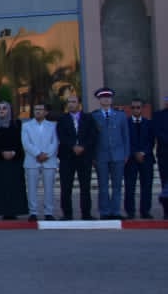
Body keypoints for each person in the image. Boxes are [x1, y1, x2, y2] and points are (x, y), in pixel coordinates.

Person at [92, 88, 130, 219]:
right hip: (101, 155)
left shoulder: (120, 115)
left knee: (117, 185)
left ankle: (116, 211)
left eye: (108, 97)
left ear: (112, 99)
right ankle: (104, 212)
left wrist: (126, 154)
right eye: (103, 97)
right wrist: (93, 156)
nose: (106, 99)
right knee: (103, 185)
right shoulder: (94, 116)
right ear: (99, 100)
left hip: (118, 154)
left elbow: (125, 136)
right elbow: (92, 138)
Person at [57, 94, 96, 220]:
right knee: (66, 187)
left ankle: (86, 214)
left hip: (84, 157)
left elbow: (93, 135)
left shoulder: (88, 118)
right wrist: (73, 146)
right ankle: (67, 214)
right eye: (69, 102)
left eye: (73, 102)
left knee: (85, 187)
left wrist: (83, 146)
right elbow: (61, 136)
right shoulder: (62, 119)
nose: (71, 104)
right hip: (67, 157)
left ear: (79, 104)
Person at [0, 102, 27, 220]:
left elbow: (21, 141)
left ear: (9, 110)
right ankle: (1, 211)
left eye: (4, 108)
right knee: (0, 187)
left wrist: (14, 152)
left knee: (14, 186)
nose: (1, 110)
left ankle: (14, 211)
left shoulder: (17, 123)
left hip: (15, 160)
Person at [22, 102, 59, 220]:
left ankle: (49, 212)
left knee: (49, 188)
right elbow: (26, 143)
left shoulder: (53, 125)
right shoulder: (26, 125)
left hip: (49, 160)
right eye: (36, 109)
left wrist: (47, 154)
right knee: (32, 188)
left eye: (40, 109)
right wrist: (38, 154)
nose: (38, 111)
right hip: (32, 159)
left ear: (46, 112)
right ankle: (33, 212)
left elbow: (55, 142)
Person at [125, 98, 155, 220]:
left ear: (142, 108)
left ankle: (145, 211)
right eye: (133, 107)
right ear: (130, 109)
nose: (135, 109)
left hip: (146, 159)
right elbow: (125, 140)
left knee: (146, 186)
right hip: (130, 160)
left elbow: (151, 141)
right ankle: (130, 212)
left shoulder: (149, 123)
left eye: (138, 107)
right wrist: (134, 153)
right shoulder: (126, 123)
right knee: (129, 186)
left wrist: (143, 152)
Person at [154, 95, 168, 218]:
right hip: (164, 154)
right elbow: (158, 132)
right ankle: (166, 211)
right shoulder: (158, 115)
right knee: (165, 182)